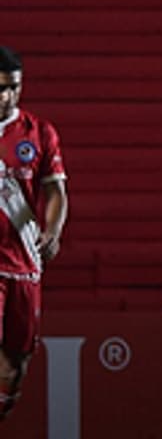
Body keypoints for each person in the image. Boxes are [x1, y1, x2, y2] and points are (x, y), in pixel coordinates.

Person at [0, 46, 68, 420]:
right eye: (0, 88)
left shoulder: (38, 132)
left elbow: (55, 191)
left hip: (24, 261)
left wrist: (53, 230)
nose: (7, 96)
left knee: (15, 365)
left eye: (14, 87)